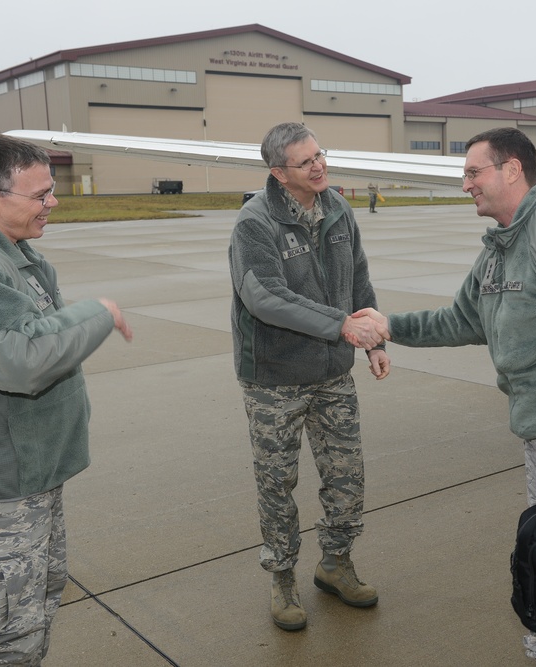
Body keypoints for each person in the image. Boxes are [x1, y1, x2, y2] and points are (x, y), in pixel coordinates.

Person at [354, 127, 536, 667]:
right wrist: (390, 325)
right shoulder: (500, 249)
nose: (466, 185)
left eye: (473, 173)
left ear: (512, 170)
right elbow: (461, 318)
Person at [0, 132, 133, 665]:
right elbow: (23, 360)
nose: (52, 202)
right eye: (41, 195)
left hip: (24, 482)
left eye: (50, 190)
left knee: (28, 617)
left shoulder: (7, 252)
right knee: (2, 639)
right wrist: (97, 311)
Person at [229, 122, 390, 632]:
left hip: (332, 374)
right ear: (278, 172)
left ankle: (335, 563)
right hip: (274, 378)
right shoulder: (255, 223)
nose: (319, 166)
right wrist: (340, 325)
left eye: (321, 155)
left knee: (347, 475)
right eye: (306, 162)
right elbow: (264, 297)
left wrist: (374, 339)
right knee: (278, 483)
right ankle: (281, 578)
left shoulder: (338, 209)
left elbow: (359, 276)